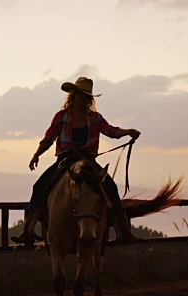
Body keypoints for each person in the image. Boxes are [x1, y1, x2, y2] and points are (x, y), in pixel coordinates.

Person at [11, 76, 141, 245]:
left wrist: (127, 132)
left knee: (111, 188)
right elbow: (48, 139)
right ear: (74, 95)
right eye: (81, 95)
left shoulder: (95, 117)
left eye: (86, 96)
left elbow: (111, 131)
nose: (84, 99)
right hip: (65, 159)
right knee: (38, 187)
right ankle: (28, 230)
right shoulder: (61, 116)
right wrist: (37, 154)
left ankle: (124, 231)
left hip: (88, 161)